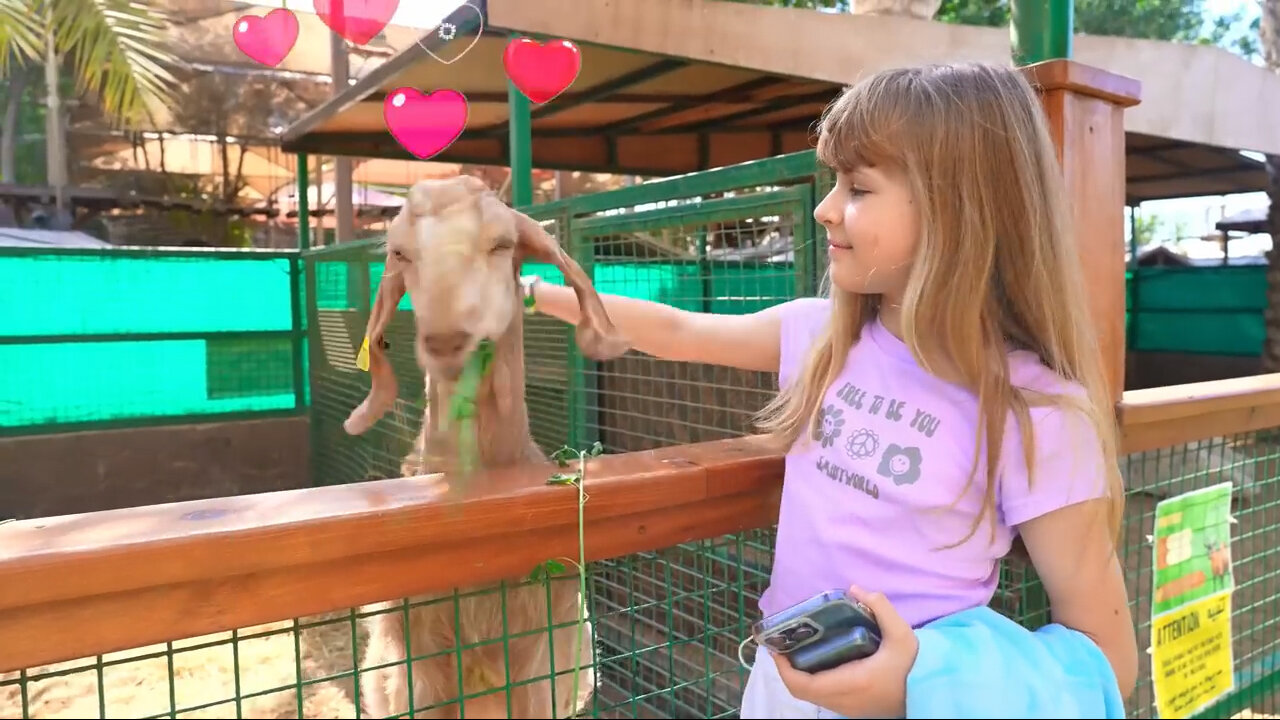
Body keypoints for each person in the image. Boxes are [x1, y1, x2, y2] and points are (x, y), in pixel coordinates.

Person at [516, 61, 1138, 718]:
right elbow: (676, 328)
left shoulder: (1036, 410)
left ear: (959, 206)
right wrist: (531, 294)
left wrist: (921, 684)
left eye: (859, 188)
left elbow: (1107, 661)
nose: (825, 208)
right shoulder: (823, 339)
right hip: (782, 678)